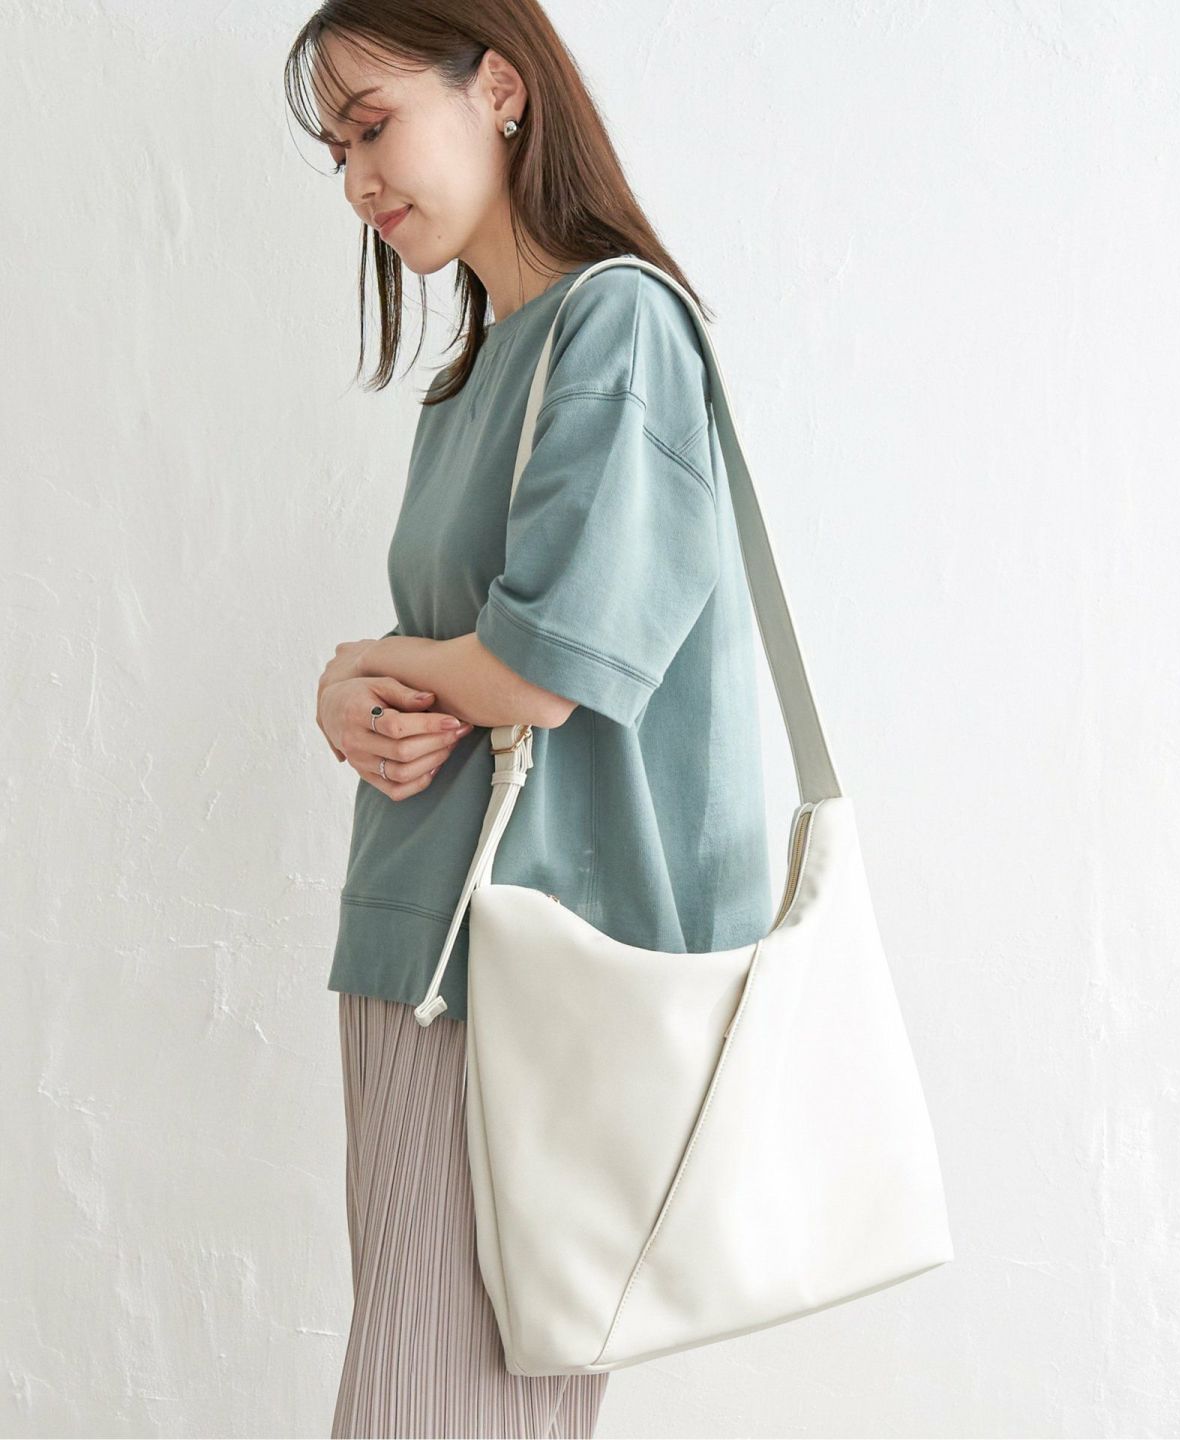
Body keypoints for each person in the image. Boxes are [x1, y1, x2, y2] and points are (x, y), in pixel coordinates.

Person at [287, 3, 775, 1436]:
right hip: (425, 944)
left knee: (444, 1405)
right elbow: (470, 663)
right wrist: (357, 690)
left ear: (499, 86)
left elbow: (550, 664)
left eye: (373, 125)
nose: (358, 180)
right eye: (337, 151)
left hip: (534, 958)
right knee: (444, 1394)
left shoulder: (619, 323)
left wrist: (368, 664)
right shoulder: (477, 373)